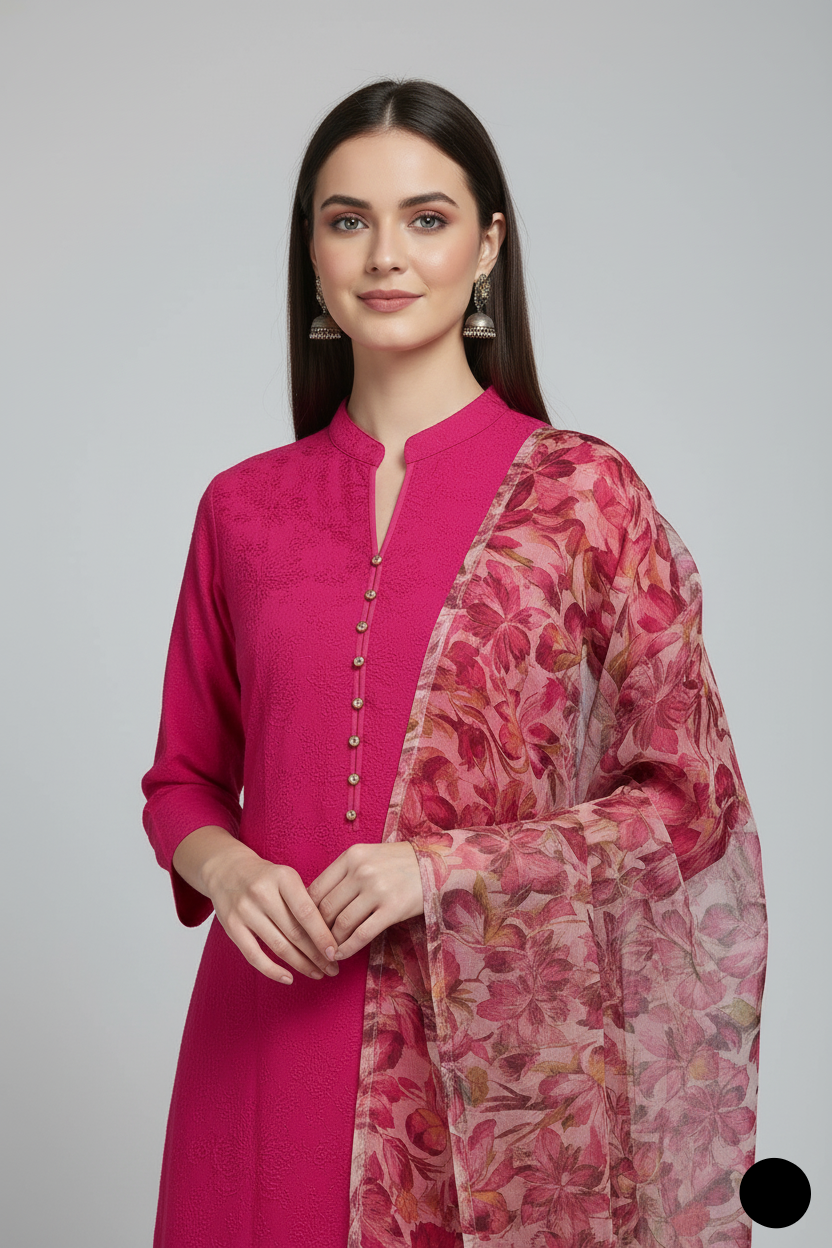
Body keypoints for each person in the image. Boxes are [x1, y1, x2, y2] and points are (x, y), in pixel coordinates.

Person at [141, 78, 768, 1248]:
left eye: (425, 218)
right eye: (347, 220)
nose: (385, 253)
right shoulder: (242, 508)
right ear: (312, 253)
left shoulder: (581, 497)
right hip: (263, 1042)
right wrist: (227, 871)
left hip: (501, 1073)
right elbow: (181, 781)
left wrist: (438, 869)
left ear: (485, 247)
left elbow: (688, 806)